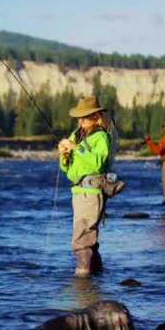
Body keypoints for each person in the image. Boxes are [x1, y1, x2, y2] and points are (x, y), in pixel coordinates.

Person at [58, 96, 110, 277]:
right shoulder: (76, 135)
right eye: (79, 117)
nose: (80, 120)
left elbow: (97, 163)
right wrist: (64, 155)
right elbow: (66, 169)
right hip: (78, 191)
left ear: (96, 117)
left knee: (82, 240)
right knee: (89, 239)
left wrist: (76, 148)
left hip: (91, 192)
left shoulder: (101, 137)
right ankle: (96, 279)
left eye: (84, 116)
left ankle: (81, 283)